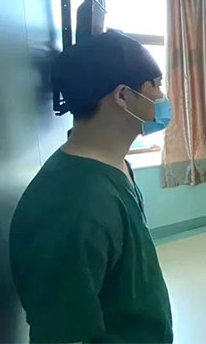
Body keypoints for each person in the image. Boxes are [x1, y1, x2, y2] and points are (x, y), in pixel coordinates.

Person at [9, 30, 173, 343]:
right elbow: (62, 334)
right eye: (156, 84)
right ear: (123, 96)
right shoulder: (68, 206)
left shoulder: (115, 165)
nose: (162, 97)